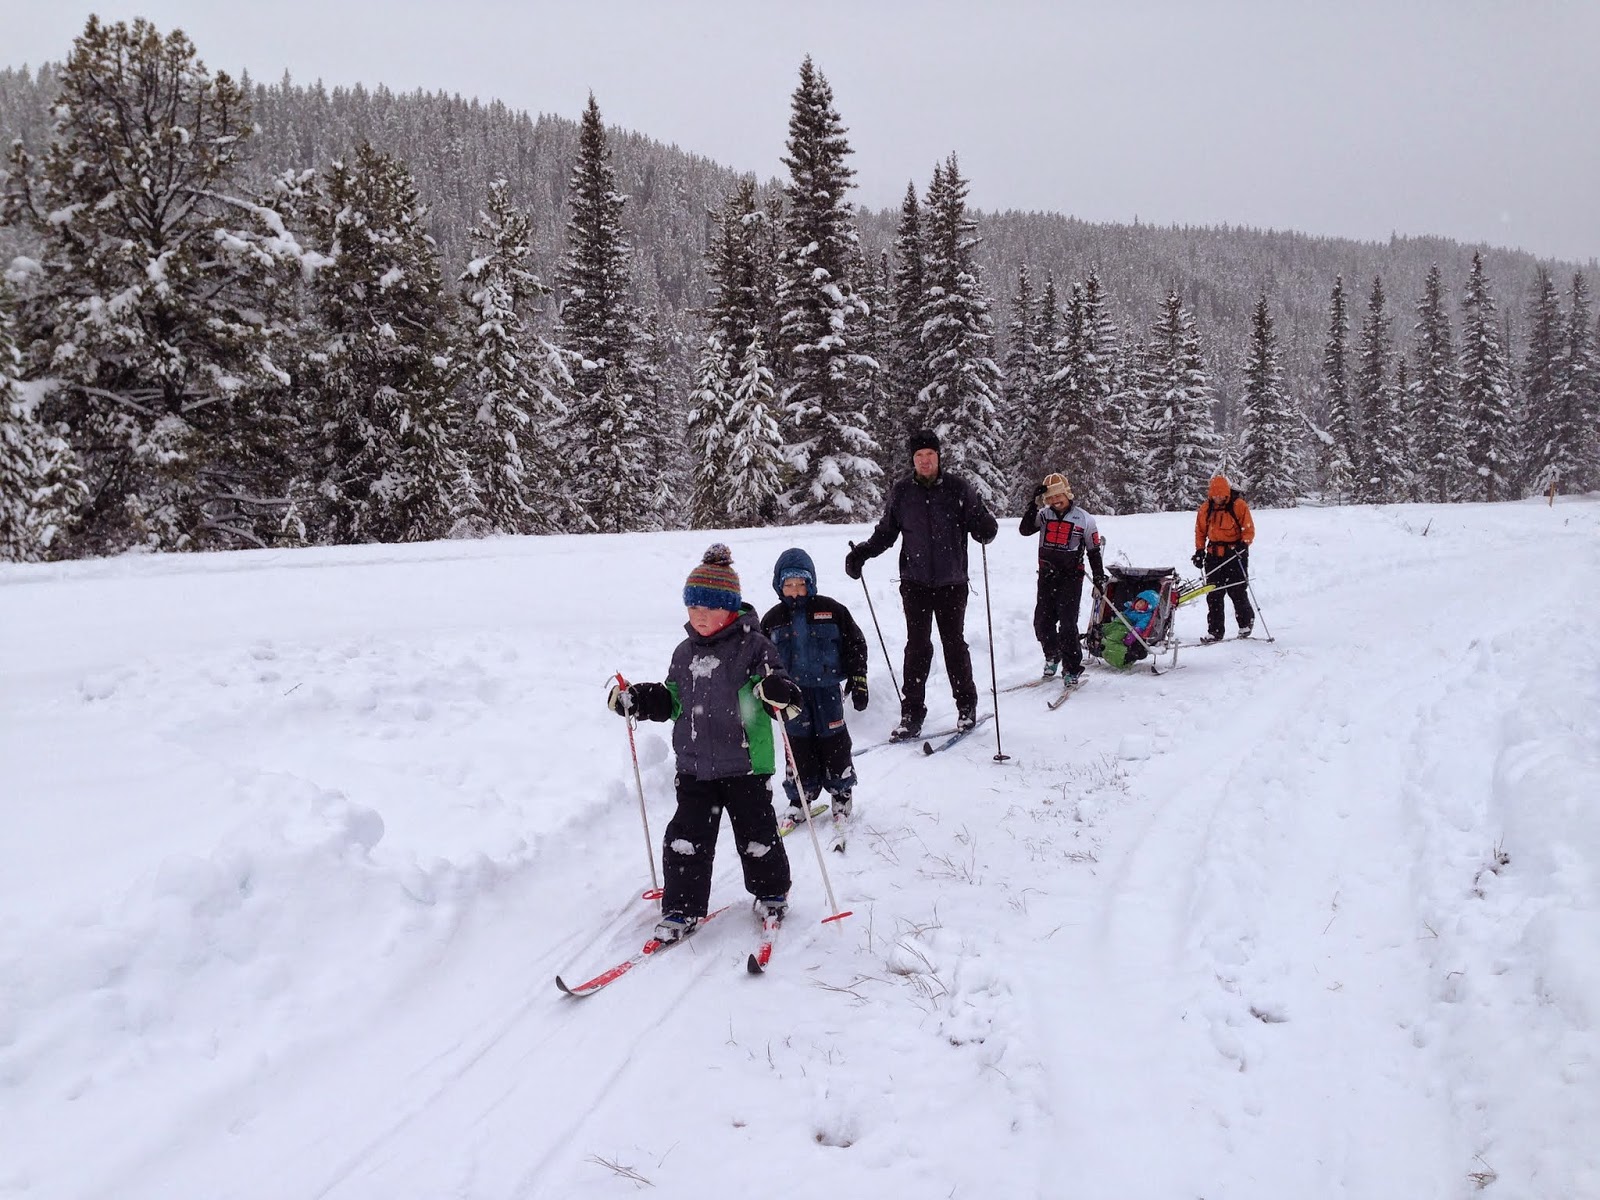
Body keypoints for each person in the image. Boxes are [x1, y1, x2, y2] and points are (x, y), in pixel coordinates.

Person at [606, 544, 804, 941]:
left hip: (746, 765)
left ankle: (772, 893)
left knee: (757, 835)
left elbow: (785, 696)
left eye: (708, 608)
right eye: (692, 608)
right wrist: (643, 700)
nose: (698, 616)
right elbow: (675, 698)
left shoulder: (755, 647)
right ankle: (681, 908)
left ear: (730, 607)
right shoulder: (684, 653)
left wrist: (778, 692)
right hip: (695, 766)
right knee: (685, 838)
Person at [844, 429, 999, 740]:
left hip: (951, 582)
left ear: (938, 457)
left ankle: (966, 706)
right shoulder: (903, 492)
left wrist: (986, 527)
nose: (925, 460)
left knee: (954, 644)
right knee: (917, 647)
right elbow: (886, 533)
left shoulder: (958, 488)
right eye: (919, 456)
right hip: (914, 582)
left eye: (930, 455)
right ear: (912, 460)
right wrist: (862, 552)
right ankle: (912, 712)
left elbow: (983, 524)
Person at [760, 548, 869, 829]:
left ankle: (841, 794)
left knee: (834, 741)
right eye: (789, 585)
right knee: (797, 746)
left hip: (827, 691)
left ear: (811, 583)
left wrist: (858, 680)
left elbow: (856, 645)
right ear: (778, 585)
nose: (795, 591)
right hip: (791, 697)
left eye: (801, 584)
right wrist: (766, 691)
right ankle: (800, 799)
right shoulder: (772, 620)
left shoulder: (832, 611)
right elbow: (761, 661)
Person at [1018, 471, 1106, 682]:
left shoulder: (1085, 519)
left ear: (1068, 494)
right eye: (1050, 497)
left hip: (1071, 578)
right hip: (1047, 576)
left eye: (1059, 496)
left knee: (1067, 625)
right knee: (1042, 623)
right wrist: (1033, 503)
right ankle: (1052, 655)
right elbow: (1025, 529)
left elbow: (1094, 551)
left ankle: (1072, 668)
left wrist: (1099, 577)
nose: (1055, 500)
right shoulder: (1043, 515)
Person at [1192, 473, 1256, 642]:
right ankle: (1215, 631)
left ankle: (1246, 623)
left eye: (1221, 495)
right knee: (1213, 593)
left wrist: (1244, 544)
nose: (1218, 498)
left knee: (1236, 590)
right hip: (1213, 555)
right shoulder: (1206, 508)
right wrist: (1199, 552)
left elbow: (1248, 529)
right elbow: (1200, 531)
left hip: (1235, 553)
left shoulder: (1239, 505)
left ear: (1227, 494)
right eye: (1214, 495)